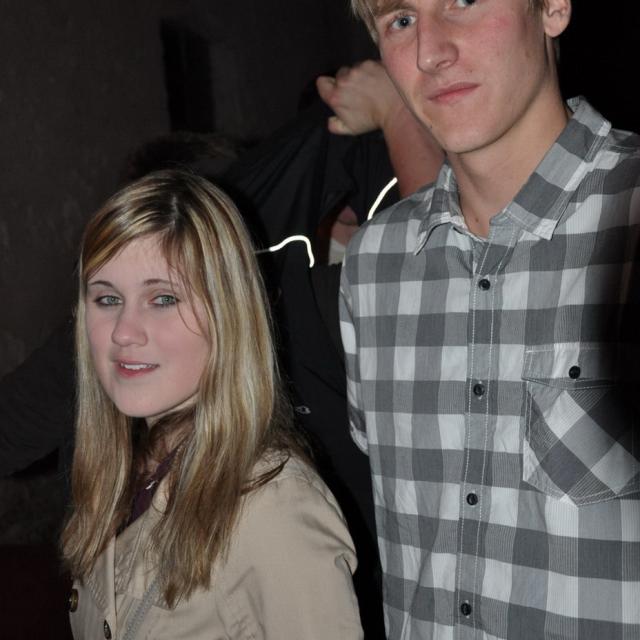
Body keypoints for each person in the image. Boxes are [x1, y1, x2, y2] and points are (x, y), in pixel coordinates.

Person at [340, 1, 640, 639]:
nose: (431, 52)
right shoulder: (373, 263)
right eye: (400, 20)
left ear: (552, 7)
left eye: (465, 1)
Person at [62, 170, 363, 639]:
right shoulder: (123, 472)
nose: (123, 331)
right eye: (107, 299)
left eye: (163, 298)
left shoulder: (273, 506)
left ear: (227, 313)